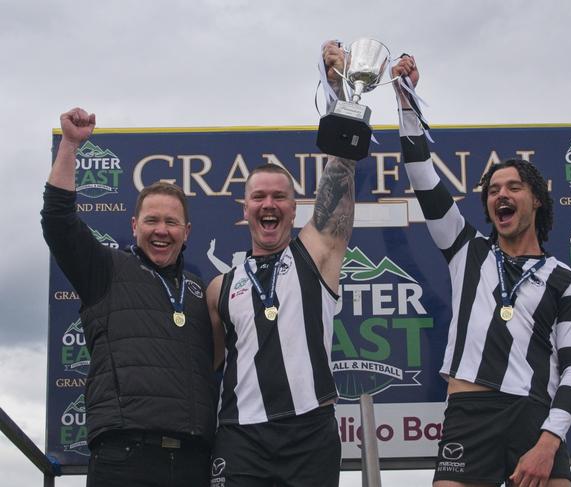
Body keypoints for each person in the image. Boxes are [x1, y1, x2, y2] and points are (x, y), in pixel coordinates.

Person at [391, 57, 571, 487]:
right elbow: (422, 176)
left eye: (513, 187)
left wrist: (548, 441)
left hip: (535, 416)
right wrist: (405, 100)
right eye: (493, 190)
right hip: (470, 415)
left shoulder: (567, 280)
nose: (501, 194)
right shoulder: (466, 249)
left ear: (536, 199)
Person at [42, 108, 217, 487]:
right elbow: (58, 223)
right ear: (134, 226)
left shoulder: (201, 291)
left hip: (194, 461)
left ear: (186, 232)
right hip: (124, 456)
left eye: (171, 222)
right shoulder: (104, 268)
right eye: (152, 220)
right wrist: (71, 144)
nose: (161, 230)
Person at [207, 41, 354, 487]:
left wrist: (338, 93)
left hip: (310, 433)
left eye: (279, 197)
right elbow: (205, 367)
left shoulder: (316, 254)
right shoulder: (219, 287)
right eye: (259, 197)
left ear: (295, 209)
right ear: (245, 207)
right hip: (240, 437)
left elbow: (340, 174)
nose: (268, 204)